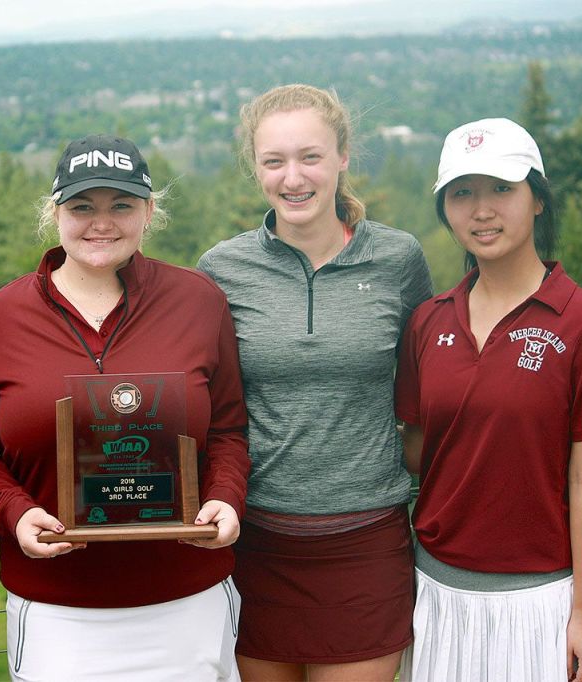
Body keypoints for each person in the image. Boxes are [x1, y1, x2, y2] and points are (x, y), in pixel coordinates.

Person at [0, 134, 250, 681]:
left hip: (187, 602)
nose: (101, 222)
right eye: (82, 207)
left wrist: (226, 498)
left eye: (121, 205)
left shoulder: (198, 301)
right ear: (55, 212)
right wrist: (15, 514)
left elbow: (230, 430)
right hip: (56, 613)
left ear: (149, 211)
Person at [197, 84, 433, 681]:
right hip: (255, 543)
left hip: (367, 543)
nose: (293, 177)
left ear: (343, 157)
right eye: (274, 161)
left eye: (311, 156)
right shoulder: (221, 269)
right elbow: (205, 403)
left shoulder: (399, 260)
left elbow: (432, 390)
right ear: (256, 167)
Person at [395, 117, 582, 682]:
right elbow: (417, 450)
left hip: (543, 604)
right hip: (437, 596)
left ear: (538, 200)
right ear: (446, 210)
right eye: (462, 193)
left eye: (503, 189)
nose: (482, 210)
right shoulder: (427, 321)